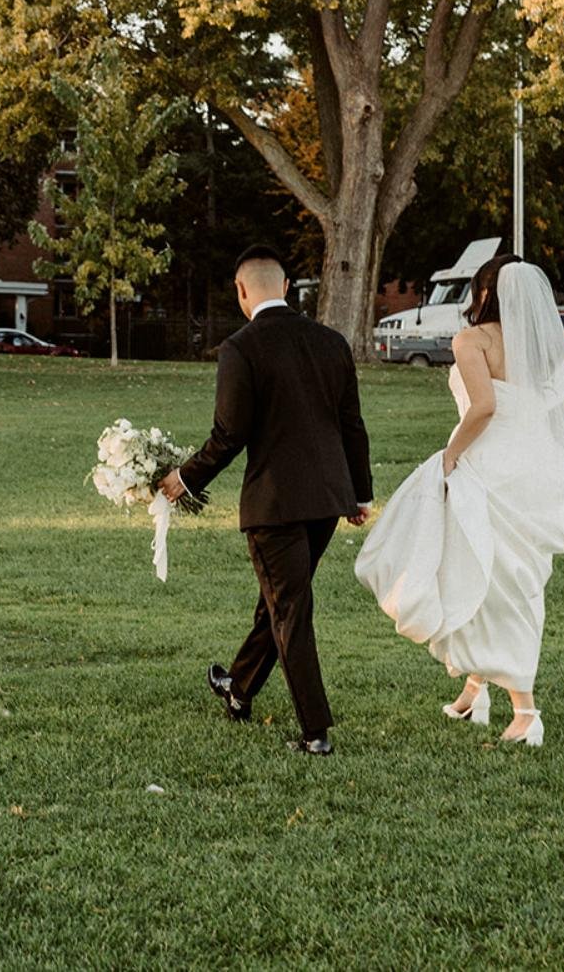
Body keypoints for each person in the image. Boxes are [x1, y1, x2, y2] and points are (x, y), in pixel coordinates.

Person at [353, 254, 564, 746]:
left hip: (485, 467)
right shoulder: (540, 348)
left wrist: (450, 459)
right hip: (529, 473)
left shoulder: (471, 341)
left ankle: (526, 712)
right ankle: (473, 691)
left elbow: (483, 406)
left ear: (483, 293)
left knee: (485, 578)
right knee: (501, 577)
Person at [161, 245, 372, 756]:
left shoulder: (241, 348)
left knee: (289, 610)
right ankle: (239, 687)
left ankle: (316, 733)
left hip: (275, 506)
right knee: (279, 602)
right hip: (326, 501)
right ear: (284, 286)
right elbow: (352, 425)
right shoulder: (331, 342)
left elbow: (229, 433)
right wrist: (359, 493)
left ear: (241, 291)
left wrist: (183, 479)